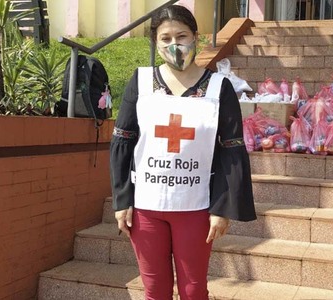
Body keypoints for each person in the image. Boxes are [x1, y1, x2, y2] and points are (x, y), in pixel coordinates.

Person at [109, 5, 256, 300]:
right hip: (146, 208)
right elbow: (123, 141)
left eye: (181, 36)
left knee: (193, 289)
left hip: (196, 208)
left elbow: (231, 150)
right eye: (165, 39)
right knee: (155, 290)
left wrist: (222, 209)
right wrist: (122, 199)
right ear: (155, 42)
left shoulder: (218, 88)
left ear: (196, 37)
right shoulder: (140, 82)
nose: (174, 44)